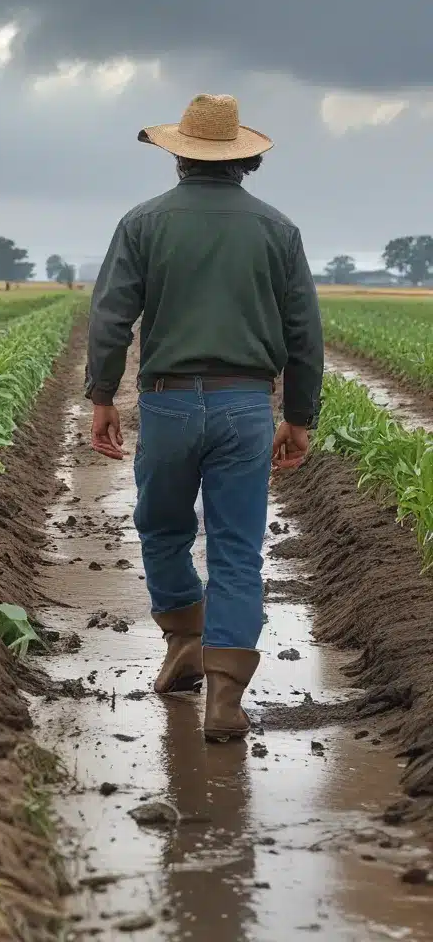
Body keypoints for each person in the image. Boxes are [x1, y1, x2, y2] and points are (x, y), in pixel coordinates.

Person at [85, 93, 324, 743]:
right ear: (244, 160)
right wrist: (299, 416)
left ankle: (184, 639)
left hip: (166, 402)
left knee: (160, 525)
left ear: (179, 156)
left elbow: (110, 319)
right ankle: (224, 695)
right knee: (238, 546)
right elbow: (304, 334)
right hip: (247, 404)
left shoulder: (143, 223)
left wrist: (103, 397)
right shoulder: (278, 230)